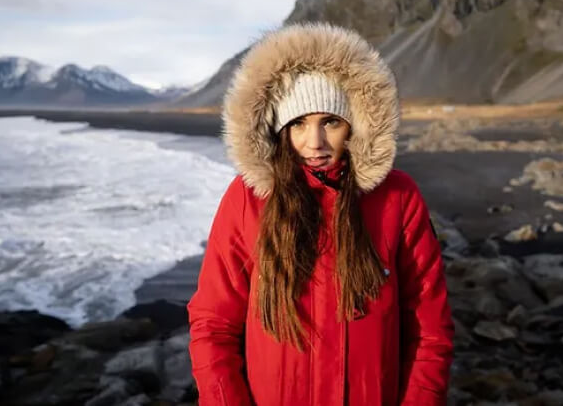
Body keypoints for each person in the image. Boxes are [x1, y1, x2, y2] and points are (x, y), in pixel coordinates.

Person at [188, 23, 454, 405]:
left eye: (330, 121)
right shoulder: (248, 200)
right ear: (280, 130)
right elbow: (213, 324)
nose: (314, 143)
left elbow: (430, 330)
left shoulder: (397, 198)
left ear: (354, 124)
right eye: (298, 123)